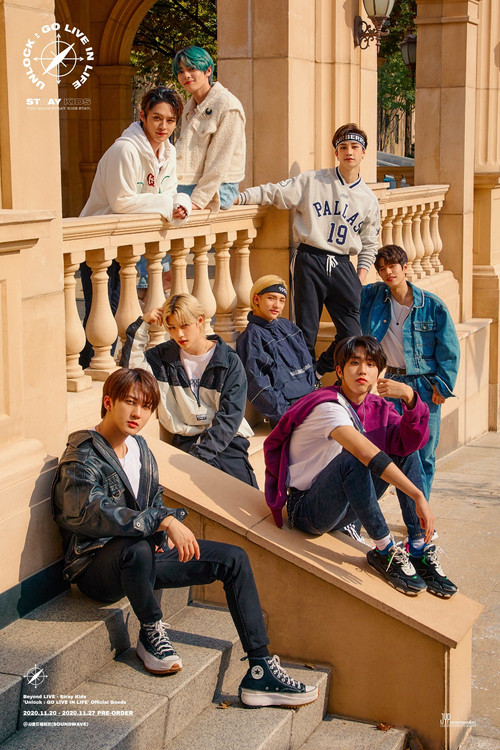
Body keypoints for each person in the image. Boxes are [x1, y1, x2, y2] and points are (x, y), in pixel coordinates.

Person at [51, 367, 318, 707]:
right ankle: (151, 631)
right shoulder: (82, 456)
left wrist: (167, 522)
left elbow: (153, 500)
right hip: (96, 567)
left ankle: (260, 669)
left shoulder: (140, 447)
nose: (137, 413)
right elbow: (92, 512)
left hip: (143, 556)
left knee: (233, 559)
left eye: (146, 406)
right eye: (130, 402)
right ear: (108, 402)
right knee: (137, 547)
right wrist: (162, 521)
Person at [264, 335, 458, 598]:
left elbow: (411, 442)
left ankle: (418, 547)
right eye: (355, 363)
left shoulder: (376, 407)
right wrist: (417, 495)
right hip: (308, 509)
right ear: (340, 371)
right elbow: (364, 453)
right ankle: (384, 550)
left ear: (379, 373)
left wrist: (411, 398)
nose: (363, 370)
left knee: (405, 453)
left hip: (345, 509)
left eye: (370, 364)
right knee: (352, 459)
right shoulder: (328, 406)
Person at [236, 123, 380, 378]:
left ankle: (318, 370)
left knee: (353, 333)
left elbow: (369, 243)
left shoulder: (368, 198)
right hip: (310, 258)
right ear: (336, 152)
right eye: (343, 147)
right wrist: (240, 197)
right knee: (306, 331)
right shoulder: (313, 180)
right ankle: (305, 381)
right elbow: (275, 192)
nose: (349, 152)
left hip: (343, 263)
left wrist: (359, 278)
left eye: (354, 147)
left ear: (363, 152)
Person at [79, 86, 192, 368]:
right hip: (100, 246)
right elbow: (121, 202)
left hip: (129, 248)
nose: (163, 126)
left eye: (170, 120)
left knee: (122, 319)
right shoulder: (124, 150)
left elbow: (171, 191)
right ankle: (89, 370)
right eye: (157, 118)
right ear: (143, 116)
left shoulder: (168, 152)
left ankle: (116, 372)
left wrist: (181, 203)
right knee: (102, 319)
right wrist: (167, 205)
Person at [120, 293, 258, 487]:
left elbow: (230, 415)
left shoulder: (228, 360)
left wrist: (200, 455)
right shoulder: (163, 358)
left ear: (200, 321)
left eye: (184, 325)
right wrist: (143, 324)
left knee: (245, 494)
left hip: (227, 439)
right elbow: (131, 370)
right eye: (172, 327)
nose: (179, 335)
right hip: (186, 440)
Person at [360, 244, 460, 500]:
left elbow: (449, 349)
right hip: (391, 382)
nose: (388, 272)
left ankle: (420, 512)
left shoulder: (432, 306)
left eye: (393, 266)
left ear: (405, 267)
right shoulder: (374, 298)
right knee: (389, 450)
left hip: (425, 386)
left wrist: (442, 386)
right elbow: (348, 288)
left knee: (424, 453)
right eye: (382, 269)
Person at [236, 275, 316, 428]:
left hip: (311, 401)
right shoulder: (251, 338)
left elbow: (308, 363)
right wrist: (287, 415)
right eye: (271, 298)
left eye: (282, 300)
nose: (277, 305)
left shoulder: (288, 327)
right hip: (289, 413)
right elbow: (259, 385)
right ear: (256, 299)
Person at [172, 45, 246, 211]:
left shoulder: (228, 105)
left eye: (192, 69)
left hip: (219, 189)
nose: (186, 75)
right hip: (188, 182)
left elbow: (220, 160)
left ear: (208, 71)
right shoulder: (190, 107)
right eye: (180, 71)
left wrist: (198, 200)